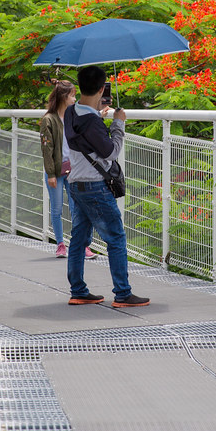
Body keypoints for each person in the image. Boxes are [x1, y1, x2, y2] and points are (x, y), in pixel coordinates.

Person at [63, 65, 149, 308]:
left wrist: (98, 116)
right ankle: (123, 293)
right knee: (116, 238)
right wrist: (118, 123)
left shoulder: (71, 112)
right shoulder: (91, 121)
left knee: (79, 238)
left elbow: (85, 135)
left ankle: (78, 290)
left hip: (75, 184)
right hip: (94, 187)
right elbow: (111, 152)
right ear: (102, 89)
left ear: (80, 86)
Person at [40, 80, 96, 260]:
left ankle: (82, 245)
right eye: (72, 95)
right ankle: (60, 244)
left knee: (77, 208)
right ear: (64, 97)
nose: (75, 98)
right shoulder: (48, 119)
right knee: (56, 209)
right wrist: (50, 174)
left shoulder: (74, 116)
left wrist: (99, 115)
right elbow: (46, 149)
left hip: (73, 170)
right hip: (55, 171)